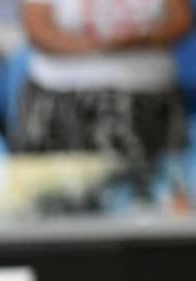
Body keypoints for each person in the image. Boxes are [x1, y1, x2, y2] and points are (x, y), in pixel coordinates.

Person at [16, 0, 191, 171]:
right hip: (63, 105)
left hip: (150, 105)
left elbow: (180, 21)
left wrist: (140, 41)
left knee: (148, 191)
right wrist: (103, 47)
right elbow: (38, 29)